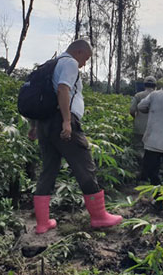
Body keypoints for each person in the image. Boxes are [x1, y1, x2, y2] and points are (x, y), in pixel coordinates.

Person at [28, 39, 122, 234]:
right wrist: (67, 121)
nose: (84, 64)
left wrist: (34, 125)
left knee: (48, 170)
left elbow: (41, 96)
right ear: (78, 52)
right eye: (85, 58)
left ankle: (42, 223)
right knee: (85, 166)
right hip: (61, 122)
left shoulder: (51, 64)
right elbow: (63, 89)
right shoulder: (69, 63)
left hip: (45, 123)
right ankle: (99, 217)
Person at [129, 76, 156, 174]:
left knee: (139, 148)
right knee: (151, 150)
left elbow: (132, 110)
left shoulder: (138, 95)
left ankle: (140, 169)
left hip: (139, 126)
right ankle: (149, 170)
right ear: (155, 85)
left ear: (144, 85)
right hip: (153, 128)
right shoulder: (158, 96)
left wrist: (136, 118)